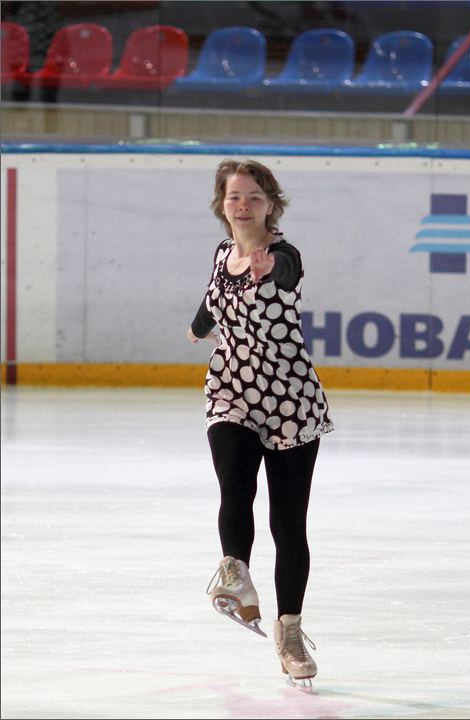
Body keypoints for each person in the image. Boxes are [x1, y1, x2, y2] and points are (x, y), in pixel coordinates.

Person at [187, 158, 333, 688]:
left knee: (288, 523)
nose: (243, 205)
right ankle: (236, 573)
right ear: (222, 204)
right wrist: (198, 327)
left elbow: (284, 272)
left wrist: (268, 269)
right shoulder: (222, 253)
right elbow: (214, 297)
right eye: (234, 197)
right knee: (235, 482)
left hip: (290, 399)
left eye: (253, 197)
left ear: (271, 204)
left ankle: (288, 631)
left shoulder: (284, 255)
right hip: (231, 388)